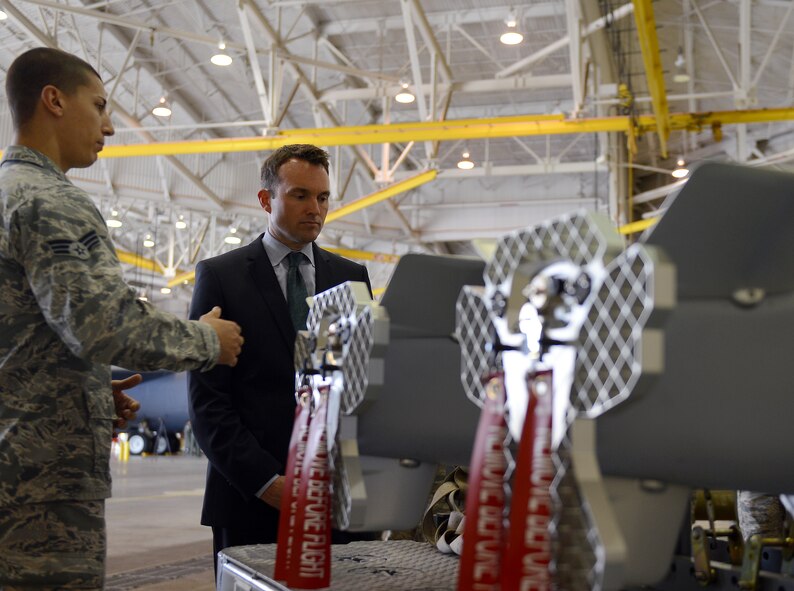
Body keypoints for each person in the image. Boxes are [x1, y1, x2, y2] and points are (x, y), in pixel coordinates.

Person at [0, 47, 244, 590]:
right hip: (41, 484)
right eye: (100, 105)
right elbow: (101, 323)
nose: (109, 125)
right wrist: (207, 341)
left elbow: (22, 339)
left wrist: (81, 394)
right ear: (54, 100)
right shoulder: (49, 200)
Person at [187, 144, 372, 572]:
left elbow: (362, 386)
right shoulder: (220, 276)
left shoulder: (352, 278)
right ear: (266, 199)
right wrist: (268, 483)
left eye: (323, 197)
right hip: (249, 499)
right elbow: (208, 402)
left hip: (335, 499)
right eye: (300, 195)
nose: (315, 209)